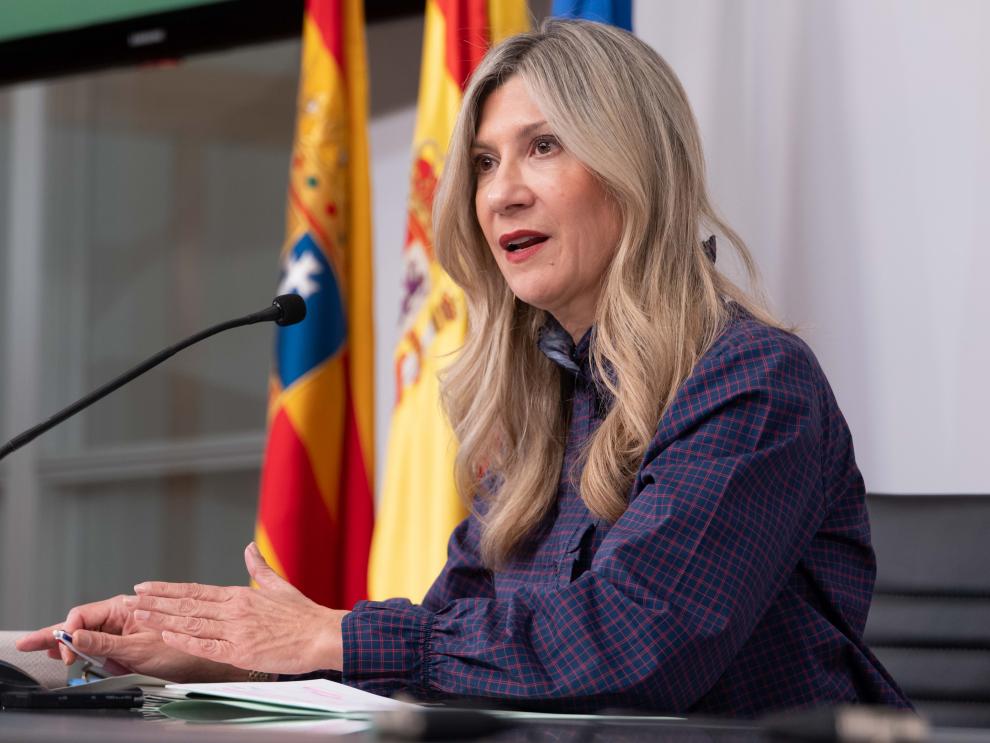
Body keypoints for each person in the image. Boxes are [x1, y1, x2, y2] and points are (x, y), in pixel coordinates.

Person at [18, 20, 910, 715]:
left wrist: (328, 635)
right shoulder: (545, 401)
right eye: (483, 161)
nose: (500, 191)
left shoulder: (752, 384)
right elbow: (462, 646)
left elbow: (635, 648)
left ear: (638, 169)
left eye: (544, 146)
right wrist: (234, 650)